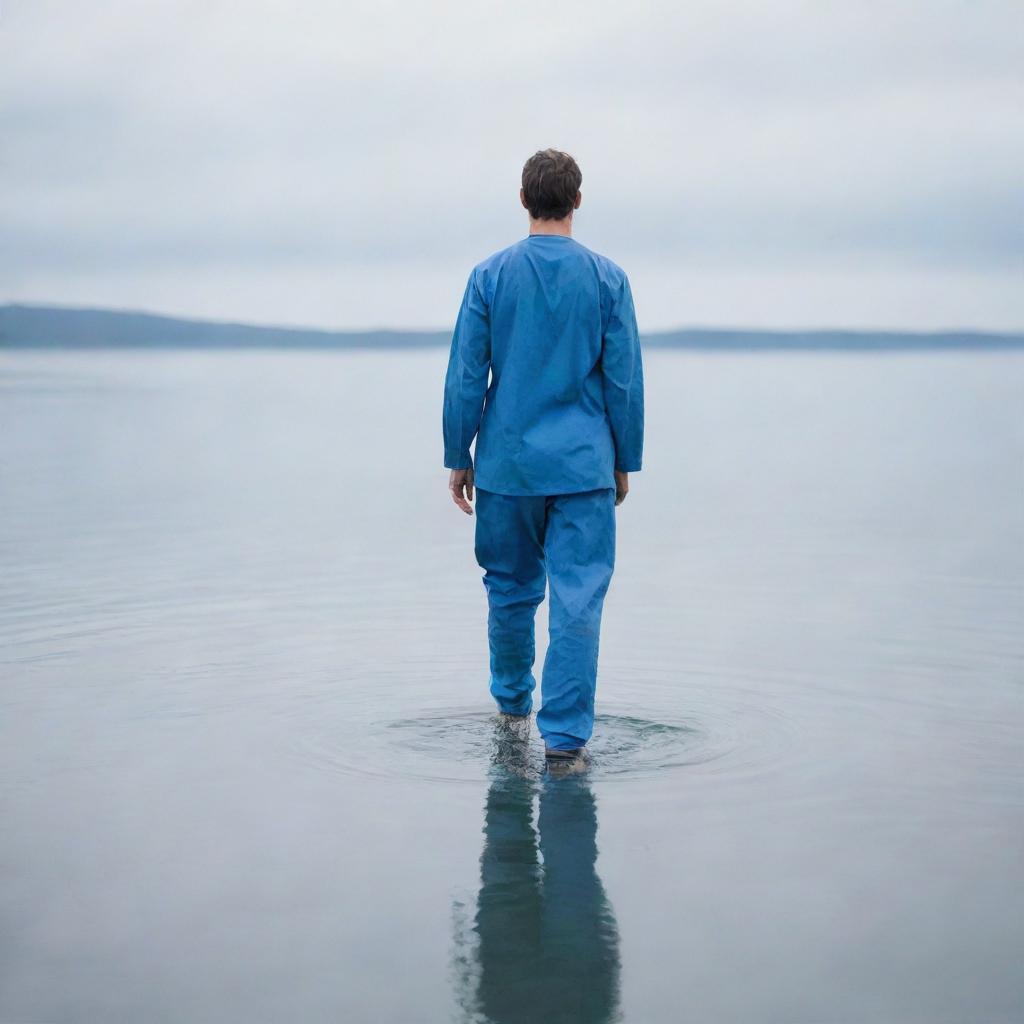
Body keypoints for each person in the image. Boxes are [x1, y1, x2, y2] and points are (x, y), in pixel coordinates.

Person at [442, 148, 644, 764]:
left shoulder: (488, 276)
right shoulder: (608, 279)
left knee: (508, 591)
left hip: (507, 465)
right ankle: (565, 746)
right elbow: (624, 381)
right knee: (578, 601)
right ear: (577, 201)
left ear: (525, 201)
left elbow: (465, 376)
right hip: (583, 468)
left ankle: (510, 714)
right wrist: (624, 460)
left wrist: (458, 453)